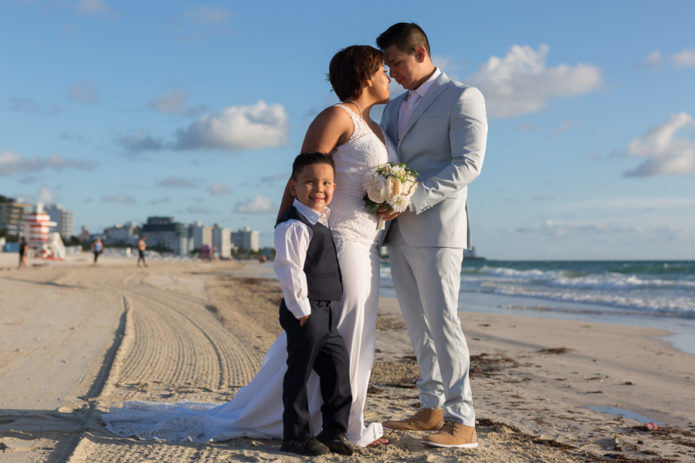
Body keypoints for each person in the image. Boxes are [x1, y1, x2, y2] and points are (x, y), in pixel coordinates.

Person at [102, 45, 391, 447]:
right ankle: (341, 426)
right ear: (364, 75)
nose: (389, 76)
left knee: (349, 336)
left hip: (368, 240)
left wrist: (388, 203)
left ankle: (338, 422)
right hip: (338, 241)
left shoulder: (375, 126)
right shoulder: (337, 116)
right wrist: (285, 227)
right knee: (342, 332)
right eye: (382, 70)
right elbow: (301, 174)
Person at [376, 22, 487, 449]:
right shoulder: (393, 106)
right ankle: (431, 408)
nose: (393, 72)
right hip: (397, 232)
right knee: (417, 326)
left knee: (443, 324)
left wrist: (412, 197)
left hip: (439, 227)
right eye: (388, 65)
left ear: (421, 52)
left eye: (397, 63)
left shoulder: (463, 96)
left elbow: (468, 164)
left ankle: (464, 421)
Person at [274, 152, 353, 456]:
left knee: (337, 369)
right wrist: (302, 312)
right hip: (307, 312)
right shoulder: (293, 225)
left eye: (326, 183)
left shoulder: (323, 220)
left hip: (328, 312)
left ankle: (334, 430)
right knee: (299, 373)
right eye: (310, 182)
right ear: (293, 187)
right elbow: (289, 269)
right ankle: (295, 435)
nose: (319, 189)